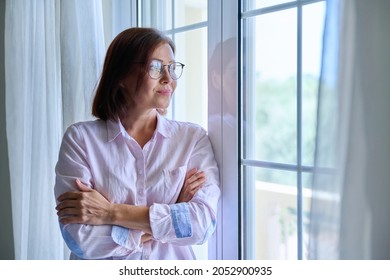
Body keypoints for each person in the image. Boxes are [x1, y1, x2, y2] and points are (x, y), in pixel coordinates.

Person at [54, 27, 220, 260]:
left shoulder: (192, 139)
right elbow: (81, 240)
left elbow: (202, 225)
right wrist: (172, 214)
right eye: (154, 67)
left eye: (172, 68)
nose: (167, 78)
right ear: (121, 75)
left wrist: (109, 212)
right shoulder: (80, 139)